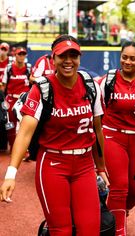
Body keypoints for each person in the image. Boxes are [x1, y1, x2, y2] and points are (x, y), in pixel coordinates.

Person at [0, 34, 108, 236]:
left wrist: (101, 167)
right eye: (62, 56)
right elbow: (24, 133)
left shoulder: (90, 85)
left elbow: (97, 128)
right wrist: (10, 175)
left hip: (85, 165)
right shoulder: (42, 88)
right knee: (61, 230)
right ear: (53, 58)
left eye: (73, 55)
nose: (68, 61)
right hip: (53, 164)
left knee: (91, 229)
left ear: (80, 57)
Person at [99, 41, 135, 236]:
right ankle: (117, 230)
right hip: (113, 136)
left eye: (133, 58)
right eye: (124, 57)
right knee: (119, 187)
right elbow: (95, 110)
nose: (127, 61)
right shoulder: (108, 80)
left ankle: (110, 214)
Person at [1, 46, 31, 152]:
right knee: (10, 125)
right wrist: (3, 99)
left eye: (23, 54)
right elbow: (3, 85)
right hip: (11, 99)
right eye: (19, 54)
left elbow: (32, 84)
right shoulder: (9, 68)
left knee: (26, 124)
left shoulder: (28, 68)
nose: (21, 56)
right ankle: (13, 147)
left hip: (24, 100)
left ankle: (26, 148)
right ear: (15, 55)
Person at [0, 42, 10, 151]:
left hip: (5, 96)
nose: (3, 51)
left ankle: (5, 142)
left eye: (5, 49)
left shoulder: (9, 63)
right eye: (1, 49)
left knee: (6, 119)